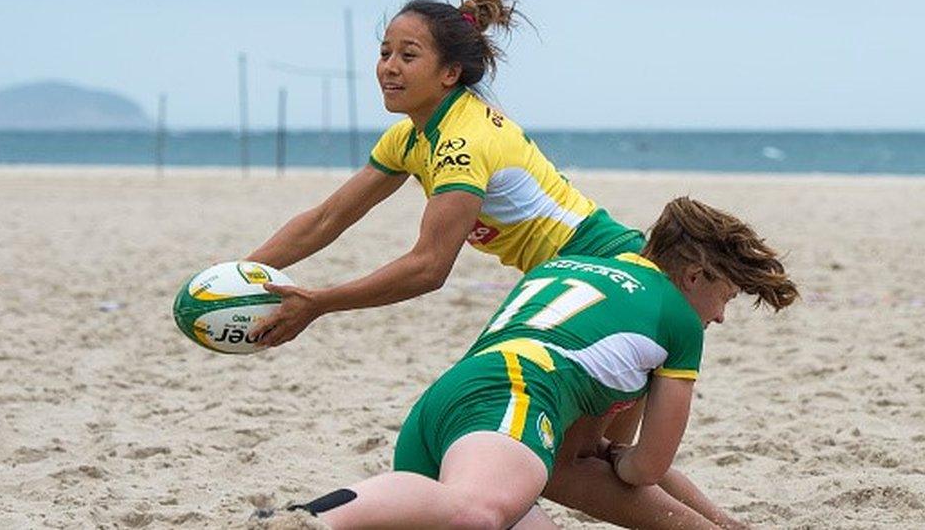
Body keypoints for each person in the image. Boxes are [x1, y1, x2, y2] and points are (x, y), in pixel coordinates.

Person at [258, 197, 799, 529]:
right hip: (513, 399)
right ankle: (304, 519)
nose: (722, 317)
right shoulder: (677, 323)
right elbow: (640, 468)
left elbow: (582, 458)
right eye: (726, 297)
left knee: (472, 509)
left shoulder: (579, 265)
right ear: (695, 276)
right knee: (477, 510)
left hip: (447, 408)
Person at [247, 0, 644, 348]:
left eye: (408, 55)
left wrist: (319, 303)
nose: (389, 67)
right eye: (385, 52)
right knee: (583, 425)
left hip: (602, 267)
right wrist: (243, 270)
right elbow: (327, 218)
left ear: (450, 73)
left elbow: (428, 268)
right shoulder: (408, 138)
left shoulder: (462, 144)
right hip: (594, 269)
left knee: (494, 381)